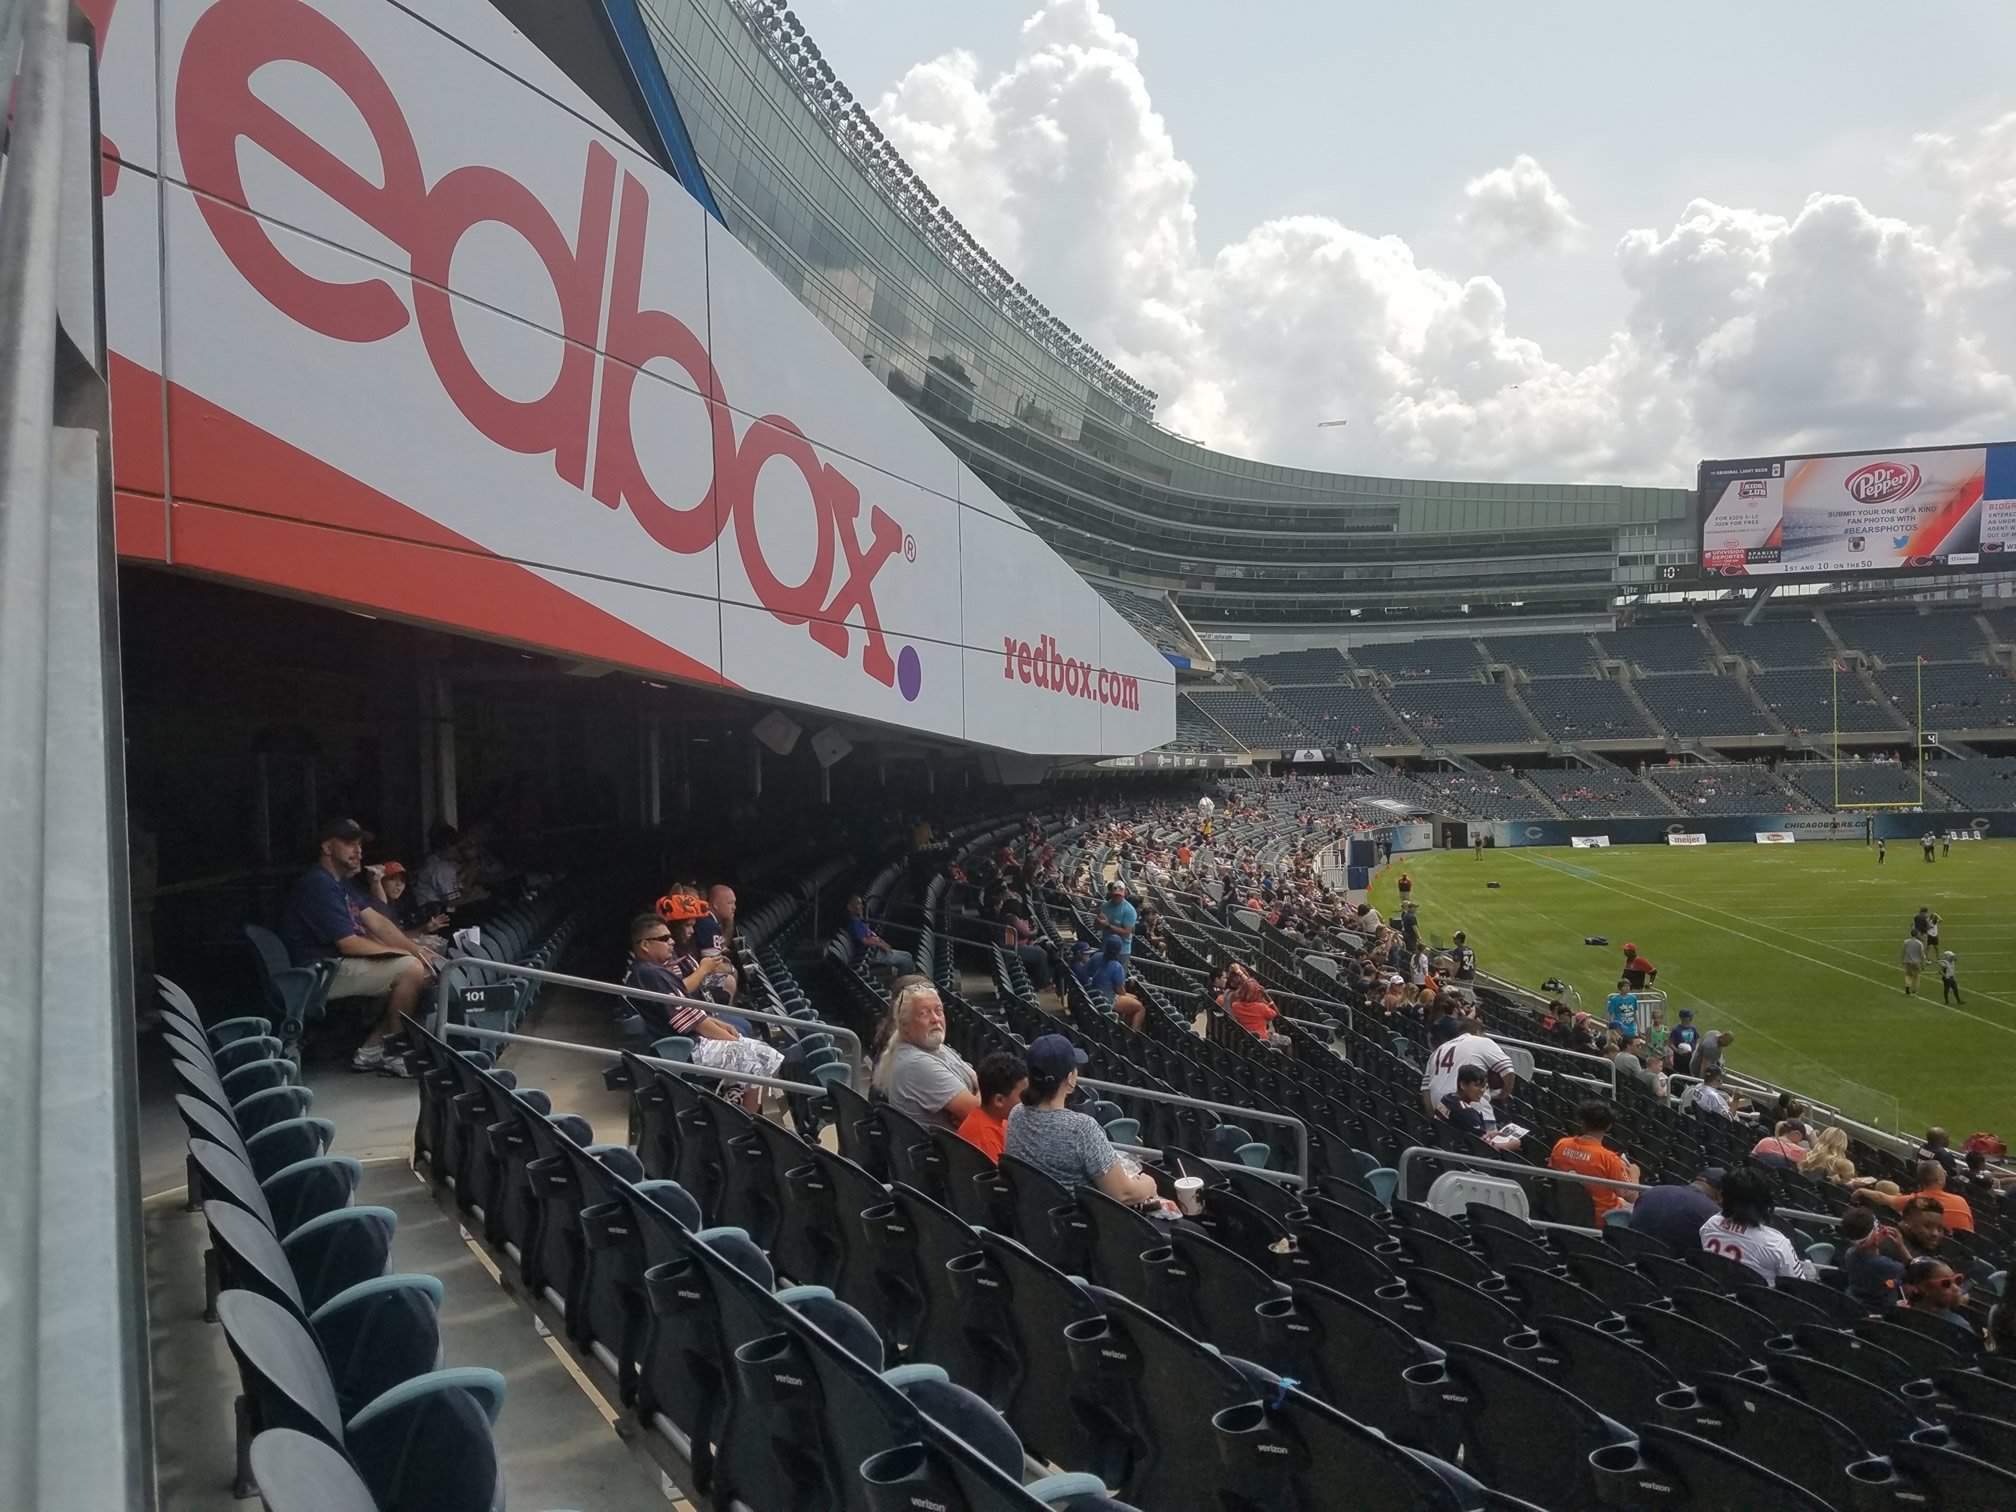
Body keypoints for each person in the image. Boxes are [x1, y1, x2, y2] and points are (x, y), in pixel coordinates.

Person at [279, 818, 437, 1074]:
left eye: (360, 844)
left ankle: (373, 1048)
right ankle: (392, 1052)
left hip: (334, 965)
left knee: (421, 967)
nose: (358, 850)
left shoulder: (341, 883)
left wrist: (416, 949)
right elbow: (349, 944)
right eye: (349, 843)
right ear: (327, 848)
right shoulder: (317, 883)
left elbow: (379, 923)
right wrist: (408, 955)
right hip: (317, 972)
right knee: (410, 970)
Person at [621, 913, 781, 1112]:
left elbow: (693, 1012)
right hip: (687, 1049)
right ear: (645, 945)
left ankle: (733, 1105)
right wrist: (734, 1041)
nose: (671, 942)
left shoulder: (652, 971)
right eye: (663, 939)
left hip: (690, 1042)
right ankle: (745, 1125)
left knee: (762, 1054)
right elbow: (693, 1023)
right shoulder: (649, 974)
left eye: (670, 937)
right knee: (767, 1058)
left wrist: (721, 1026)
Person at [1004, 1034, 1159, 1204]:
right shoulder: (1081, 1129)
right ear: (1070, 1079)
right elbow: (1123, 1194)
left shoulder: (1016, 1114)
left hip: (1033, 1220)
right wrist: (1149, 1185)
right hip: (1078, 1225)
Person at [872, 981, 978, 1129]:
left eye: (938, 1010)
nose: (935, 1019)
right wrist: (980, 1091)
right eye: (924, 1013)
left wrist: (978, 1094)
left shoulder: (934, 1046)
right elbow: (979, 1115)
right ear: (904, 1025)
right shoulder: (916, 1064)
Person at [1698, 1166, 1815, 1285]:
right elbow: (1798, 1287)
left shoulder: (1710, 1225)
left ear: (1723, 1196)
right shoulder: (1776, 1244)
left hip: (1718, 1296)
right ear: (1764, 1201)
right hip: (1757, 1302)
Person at [1549, 1101, 1639, 1221]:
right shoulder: (1609, 1159)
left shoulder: (1561, 1145)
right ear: (1609, 1126)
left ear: (1582, 1122)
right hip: (1600, 1220)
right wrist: (1635, 1174)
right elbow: (1632, 1197)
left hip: (1565, 1212)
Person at [1420, 1018, 1516, 1115]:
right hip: (1468, 1108)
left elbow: (1426, 1090)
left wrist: (1433, 1118)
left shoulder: (1438, 1050)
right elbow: (1508, 1070)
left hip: (1440, 1109)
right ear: (1479, 1032)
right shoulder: (1482, 1042)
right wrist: (1504, 1093)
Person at [1856, 1160, 1976, 1234]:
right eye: (1943, 1173)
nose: (1945, 1174)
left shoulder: (1913, 1200)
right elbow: (1971, 1234)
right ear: (1939, 1179)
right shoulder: (1960, 1202)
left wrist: (1861, 1190)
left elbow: (1883, 1198)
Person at [1625, 1169, 1723, 1254]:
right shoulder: (1712, 1212)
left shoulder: (1652, 1191)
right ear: (1720, 1194)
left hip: (1631, 1257)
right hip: (1669, 1269)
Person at [956, 1050, 1028, 1162]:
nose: (1027, 1102)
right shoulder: (985, 1141)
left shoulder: (999, 1120)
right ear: (999, 1100)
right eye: (1022, 1096)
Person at [1436, 1064, 1521, 1150]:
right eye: (1477, 1085)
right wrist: (1511, 1145)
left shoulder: (1447, 1098)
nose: (1482, 1091)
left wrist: (1489, 1135)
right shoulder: (1468, 1113)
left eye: (1484, 1087)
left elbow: (1471, 1133)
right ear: (1462, 1085)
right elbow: (1483, 1148)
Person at [846, 893, 917, 975]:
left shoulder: (859, 922)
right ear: (850, 908)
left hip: (876, 950)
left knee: (907, 955)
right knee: (905, 961)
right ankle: (906, 983)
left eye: (862, 903)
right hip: (872, 953)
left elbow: (872, 935)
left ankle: (907, 979)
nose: (862, 906)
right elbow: (865, 941)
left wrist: (884, 943)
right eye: (858, 904)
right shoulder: (855, 923)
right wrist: (881, 945)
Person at [1902, 1257, 1973, 1332]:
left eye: (1957, 1280)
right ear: (1924, 1287)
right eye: (1946, 1283)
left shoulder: (1901, 1312)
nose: (1956, 1288)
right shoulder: (1960, 1328)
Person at [1225, 964, 1280, 1045]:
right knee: (1286, 1040)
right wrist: (1266, 995)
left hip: (1244, 1039)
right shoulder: (1261, 1007)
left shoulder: (1235, 1005)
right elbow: (1276, 1013)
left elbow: (1248, 986)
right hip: (1262, 1041)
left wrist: (1239, 972)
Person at [1099, 880, 1138, 958]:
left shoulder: (1129, 910)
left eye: (1119, 895)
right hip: (1105, 947)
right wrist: (1098, 922)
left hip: (1122, 951)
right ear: (1111, 893)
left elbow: (1126, 933)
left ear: (1124, 894)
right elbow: (1096, 927)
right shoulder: (1104, 906)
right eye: (1115, 894)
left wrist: (1108, 925)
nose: (1117, 897)